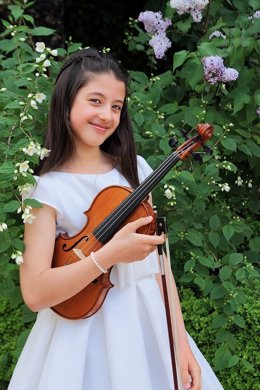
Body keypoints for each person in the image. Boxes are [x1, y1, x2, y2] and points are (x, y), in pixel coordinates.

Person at [8, 48, 224, 390]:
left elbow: (161, 268)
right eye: (95, 101)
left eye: (116, 106)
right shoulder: (45, 190)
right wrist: (107, 256)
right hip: (78, 335)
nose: (107, 115)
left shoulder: (135, 171)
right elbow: (35, 294)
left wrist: (180, 344)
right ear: (66, 103)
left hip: (148, 321)